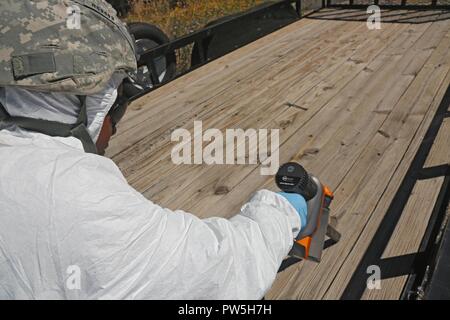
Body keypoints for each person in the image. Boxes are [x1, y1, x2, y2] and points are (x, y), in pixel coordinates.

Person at [0, 0, 307, 300]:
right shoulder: (71, 195)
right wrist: (283, 211)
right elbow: (220, 271)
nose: (116, 125)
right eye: (117, 102)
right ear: (84, 101)